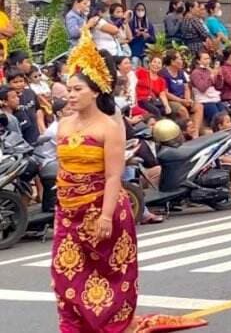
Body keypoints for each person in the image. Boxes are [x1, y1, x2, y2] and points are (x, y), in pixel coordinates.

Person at [51, 27, 201, 332]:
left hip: (102, 209)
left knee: (110, 273)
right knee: (65, 274)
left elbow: (112, 175)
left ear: (95, 91)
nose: (71, 95)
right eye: (69, 89)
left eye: (77, 89)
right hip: (68, 212)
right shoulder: (64, 125)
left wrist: (106, 215)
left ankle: (111, 324)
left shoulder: (109, 127)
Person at [159, 50, 202, 137]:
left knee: (199, 107)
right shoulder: (164, 73)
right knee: (182, 110)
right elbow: (166, 93)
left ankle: (195, 133)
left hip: (183, 98)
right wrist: (181, 101)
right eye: (179, 59)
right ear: (172, 61)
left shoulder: (181, 72)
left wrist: (187, 99)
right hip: (171, 100)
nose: (181, 61)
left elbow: (186, 88)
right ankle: (187, 133)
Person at [7, 66, 44, 142]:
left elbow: (38, 109)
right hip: (22, 139)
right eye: (15, 82)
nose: (19, 84)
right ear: (8, 83)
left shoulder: (30, 92)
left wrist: (42, 127)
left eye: (21, 81)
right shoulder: (9, 100)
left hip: (37, 134)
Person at [190, 51, 226, 126]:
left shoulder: (209, 70)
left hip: (215, 98)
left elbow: (219, 86)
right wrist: (211, 76)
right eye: (205, 59)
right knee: (218, 120)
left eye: (208, 58)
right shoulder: (195, 73)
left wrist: (219, 76)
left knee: (225, 117)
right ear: (198, 60)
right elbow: (202, 88)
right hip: (205, 100)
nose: (208, 60)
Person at [128, 2, 156, 67]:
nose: (140, 11)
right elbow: (129, 40)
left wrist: (148, 36)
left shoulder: (149, 24)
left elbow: (154, 40)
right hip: (134, 52)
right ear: (135, 11)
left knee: (146, 68)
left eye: (142, 10)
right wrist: (136, 36)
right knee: (134, 65)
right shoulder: (130, 24)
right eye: (138, 10)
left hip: (146, 52)